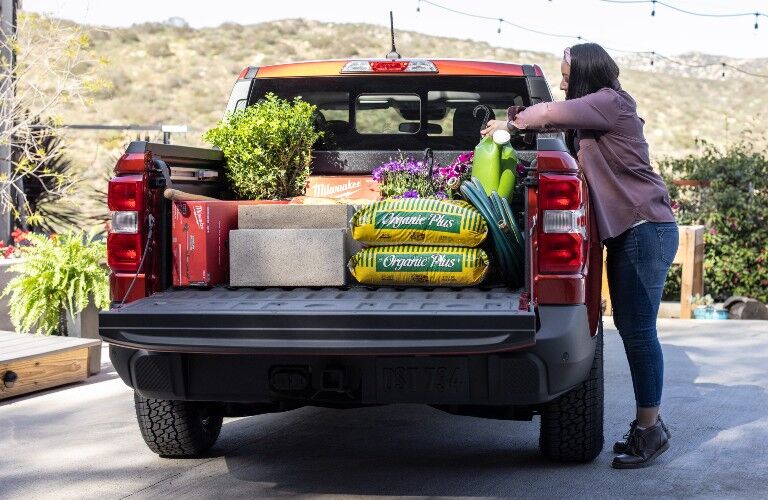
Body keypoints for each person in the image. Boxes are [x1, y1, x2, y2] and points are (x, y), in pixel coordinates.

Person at [482, 43, 679, 469]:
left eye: (568, 74)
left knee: (639, 330)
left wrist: (509, 121)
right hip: (632, 233)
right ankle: (649, 426)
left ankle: (651, 428)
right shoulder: (596, 114)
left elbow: (548, 113)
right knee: (631, 327)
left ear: (587, 72)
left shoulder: (610, 103)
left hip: (646, 230)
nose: (564, 81)